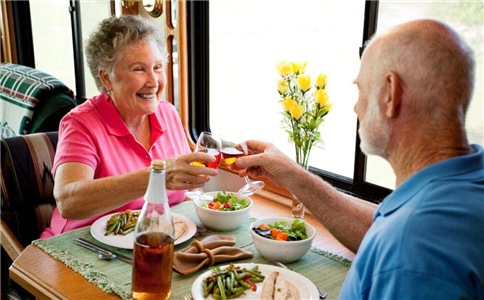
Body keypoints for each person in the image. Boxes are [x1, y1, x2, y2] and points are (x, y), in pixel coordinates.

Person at [236, 19, 484, 299]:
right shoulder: (458, 187)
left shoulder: (413, 250)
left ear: (391, 94)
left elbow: (403, 248)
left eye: (361, 89)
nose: (356, 106)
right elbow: (379, 233)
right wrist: (293, 175)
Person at [41, 15, 217, 238]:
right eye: (138, 69)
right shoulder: (81, 123)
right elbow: (69, 202)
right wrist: (158, 175)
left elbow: (185, 189)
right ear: (106, 78)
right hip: (82, 245)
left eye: (158, 67)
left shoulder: (168, 113)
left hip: (150, 240)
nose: (153, 82)